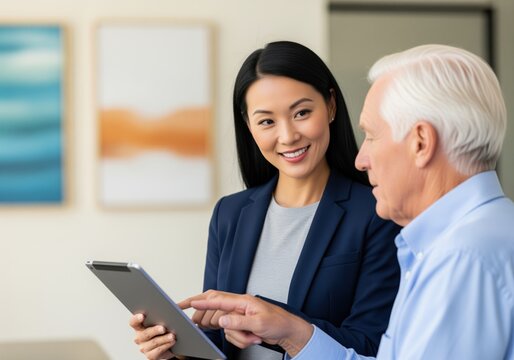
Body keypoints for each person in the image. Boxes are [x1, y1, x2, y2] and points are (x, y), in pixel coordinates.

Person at [187, 44, 514, 359]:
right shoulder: (451, 241)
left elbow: (370, 341)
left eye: (372, 135)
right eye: (267, 120)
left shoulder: (460, 255)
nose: (363, 157)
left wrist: (286, 329)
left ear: (420, 142)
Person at [130, 41, 401, 360]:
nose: (287, 136)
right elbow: (217, 340)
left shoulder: (378, 212)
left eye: (302, 112)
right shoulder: (229, 214)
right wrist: (177, 353)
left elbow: (373, 345)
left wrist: (279, 327)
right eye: (267, 121)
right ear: (249, 126)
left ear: (329, 106)